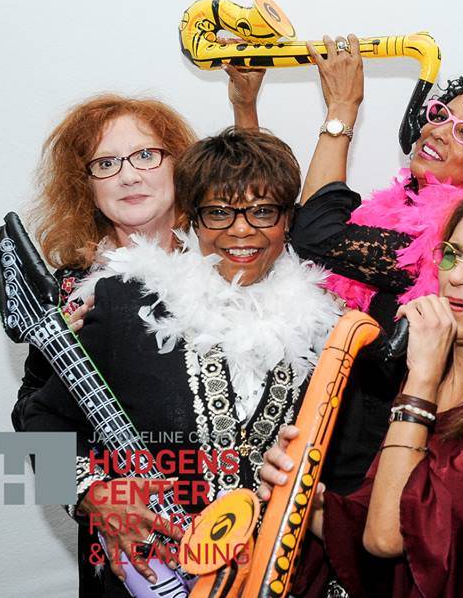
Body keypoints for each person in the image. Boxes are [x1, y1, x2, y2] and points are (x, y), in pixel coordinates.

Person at [23, 128, 341, 596]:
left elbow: (354, 470)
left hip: (284, 580)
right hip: (152, 577)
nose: (240, 230)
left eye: (262, 211)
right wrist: (90, 494)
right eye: (219, 213)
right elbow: (34, 421)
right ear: (192, 220)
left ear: (287, 219)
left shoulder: (328, 326)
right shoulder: (126, 303)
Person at [230, 37, 463, 495]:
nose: (438, 131)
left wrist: (342, 107)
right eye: (440, 116)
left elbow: (317, 233)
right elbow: (298, 224)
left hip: (373, 479)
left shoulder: (447, 246)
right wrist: (246, 108)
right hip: (316, 450)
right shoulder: (384, 220)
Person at [261, 187, 463, 597]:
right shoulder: (429, 382)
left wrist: (421, 382)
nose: (457, 277)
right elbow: (375, 514)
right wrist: (306, 500)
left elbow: (390, 534)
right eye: (451, 254)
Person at [12, 94, 197, 431]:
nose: (128, 177)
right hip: (119, 480)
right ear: (88, 187)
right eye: (106, 164)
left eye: (145, 155)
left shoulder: (225, 260)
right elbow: (29, 419)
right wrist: (53, 357)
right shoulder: (69, 287)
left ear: (180, 165)